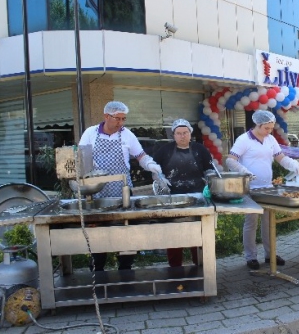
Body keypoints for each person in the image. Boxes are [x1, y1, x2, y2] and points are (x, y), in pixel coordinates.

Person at [79, 101, 167, 271]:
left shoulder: (127, 135)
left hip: (123, 192)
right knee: (98, 236)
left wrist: (151, 165)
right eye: (117, 119)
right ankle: (97, 271)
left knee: (127, 233)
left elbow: (141, 156)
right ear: (106, 117)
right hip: (97, 194)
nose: (121, 123)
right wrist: (88, 164)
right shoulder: (90, 133)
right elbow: (81, 159)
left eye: (123, 119)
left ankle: (125, 269)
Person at [226, 110, 299, 270]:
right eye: (266, 128)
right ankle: (251, 257)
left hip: (267, 188)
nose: (269, 131)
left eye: (271, 128)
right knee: (251, 222)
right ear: (257, 125)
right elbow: (230, 160)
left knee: (269, 222)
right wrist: (243, 170)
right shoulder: (244, 139)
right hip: (250, 188)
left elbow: (280, 158)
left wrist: (292, 164)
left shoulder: (270, 139)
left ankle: (270, 254)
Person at [152, 119, 216, 267]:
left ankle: (200, 264)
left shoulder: (200, 149)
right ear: (173, 135)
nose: (182, 136)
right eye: (179, 133)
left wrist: (211, 180)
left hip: (198, 197)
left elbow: (209, 169)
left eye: (185, 132)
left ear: (190, 133)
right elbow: (154, 170)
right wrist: (159, 178)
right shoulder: (165, 150)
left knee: (198, 233)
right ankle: (175, 267)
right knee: (174, 233)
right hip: (173, 197)